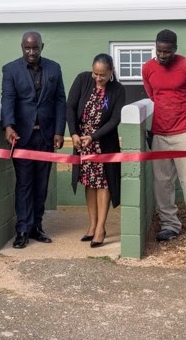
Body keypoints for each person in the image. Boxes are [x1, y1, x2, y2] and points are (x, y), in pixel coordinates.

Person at [2, 31, 67, 249]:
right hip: (22, 137)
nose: (31, 52)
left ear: (42, 46)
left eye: (35, 48)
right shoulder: (11, 69)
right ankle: (22, 229)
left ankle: (36, 227)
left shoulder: (54, 68)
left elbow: (60, 101)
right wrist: (8, 126)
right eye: (27, 48)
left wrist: (59, 131)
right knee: (24, 184)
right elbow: (8, 99)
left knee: (41, 185)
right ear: (22, 47)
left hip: (46, 136)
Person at [142, 29, 186, 243]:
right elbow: (153, 95)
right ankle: (169, 225)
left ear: (175, 49)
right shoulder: (148, 68)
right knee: (162, 182)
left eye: (167, 52)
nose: (162, 55)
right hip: (160, 132)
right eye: (159, 51)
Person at [66, 53, 126, 247]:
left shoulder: (117, 90)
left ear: (111, 72)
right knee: (89, 183)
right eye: (95, 74)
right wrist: (74, 133)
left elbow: (115, 120)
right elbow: (70, 107)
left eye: (103, 75)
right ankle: (92, 225)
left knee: (104, 183)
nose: (98, 78)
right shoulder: (83, 79)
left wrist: (93, 136)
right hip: (82, 143)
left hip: (103, 144)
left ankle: (101, 228)